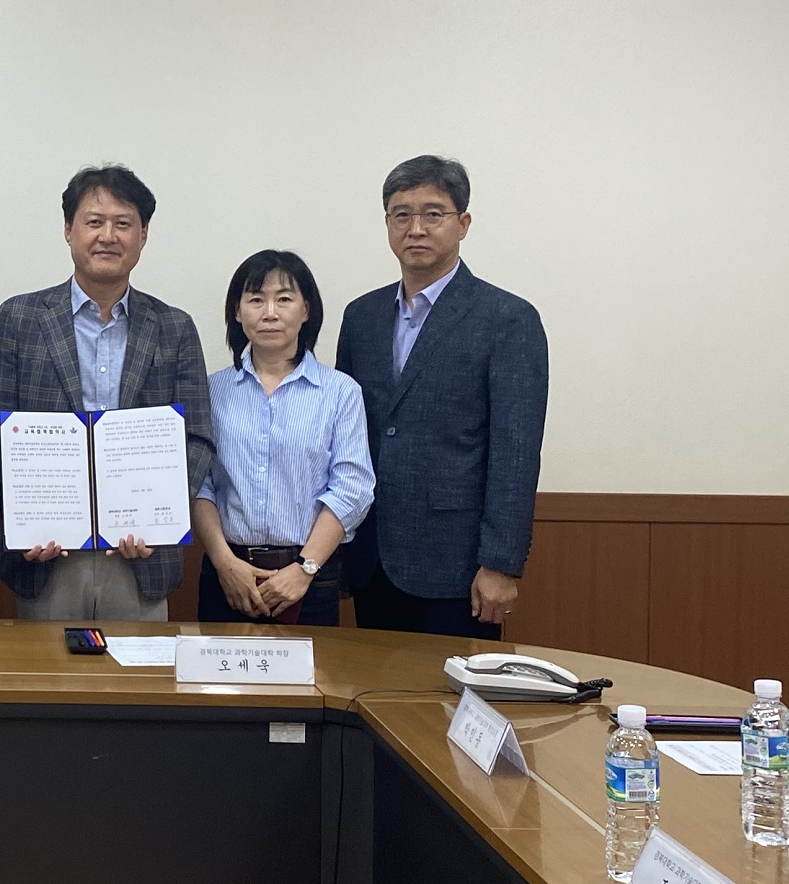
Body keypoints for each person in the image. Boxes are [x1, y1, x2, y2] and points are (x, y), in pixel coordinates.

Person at [0, 164, 214, 622]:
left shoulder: (175, 327)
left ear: (143, 235)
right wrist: (25, 518)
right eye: (94, 222)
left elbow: (197, 437)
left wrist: (156, 517)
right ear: (68, 230)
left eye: (123, 223)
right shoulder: (19, 318)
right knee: (41, 669)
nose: (108, 236)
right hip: (47, 559)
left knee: (140, 671)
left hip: (141, 559)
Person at [333, 155, 547, 638]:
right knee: (369, 684)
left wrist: (501, 564)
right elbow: (344, 435)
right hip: (370, 555)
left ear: (463, 224)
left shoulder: (508, 319)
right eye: (401, 215)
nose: (416, 228)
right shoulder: (361, 317)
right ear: (387, 224)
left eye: (433, 214)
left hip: (458, 564)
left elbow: (515, 454)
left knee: (451, 688)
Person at [191, 250, 373, 626]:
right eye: (256, 299)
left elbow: (352, 488)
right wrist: (225, 563)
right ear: (237, 311)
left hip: (311, 579)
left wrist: (304, 569)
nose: (270, 313)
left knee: (314, 668)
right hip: (228, 575)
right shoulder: (211, 391)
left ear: (306, 310)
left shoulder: (341, 392)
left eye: (284, 299)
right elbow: (199, 483)